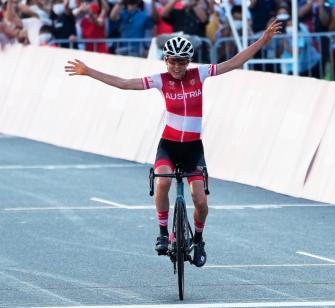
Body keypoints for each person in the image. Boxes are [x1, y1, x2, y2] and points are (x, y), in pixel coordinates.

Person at [64, 21, 282, 267]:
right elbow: (124, 84)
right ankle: (162, 232)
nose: (177, 66)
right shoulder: (160, 80)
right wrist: (89, 71)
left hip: (192, 148)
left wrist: (262, 41)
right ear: (166, 60)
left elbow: (233, 62)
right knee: (163, 181)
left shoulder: (199, 74)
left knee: (200, 200)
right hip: (168, 144)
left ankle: (198, 240)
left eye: (182, 61)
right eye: (172, 61)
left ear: (188, 62)